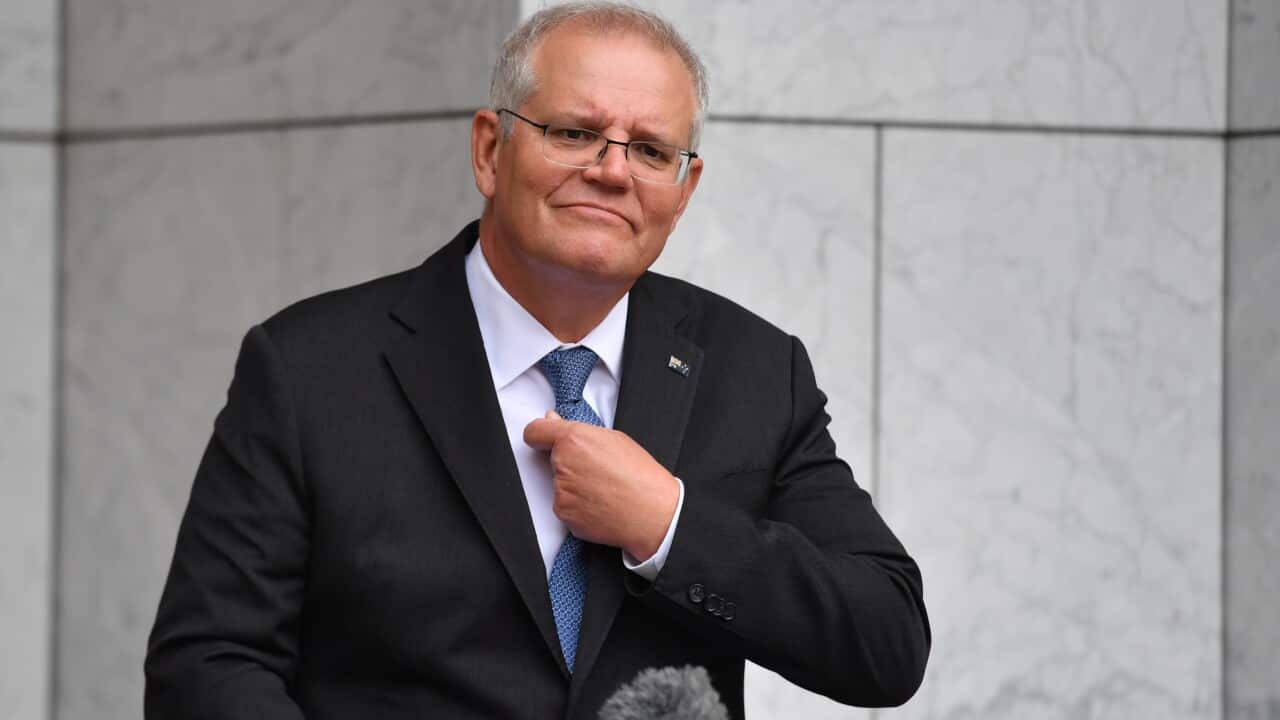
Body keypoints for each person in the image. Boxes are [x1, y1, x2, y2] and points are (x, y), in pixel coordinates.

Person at [143, 3, 930, 718]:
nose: (613, 170)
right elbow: (209, 664)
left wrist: (669, 526)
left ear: (684, 189)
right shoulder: (311, 367)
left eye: (651, 150)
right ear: (491, 149)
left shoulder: (757, 370)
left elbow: (887, 642)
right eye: (574, 133)